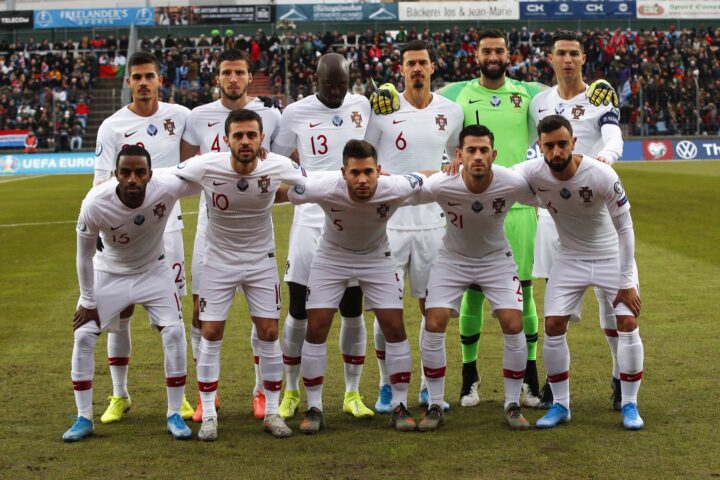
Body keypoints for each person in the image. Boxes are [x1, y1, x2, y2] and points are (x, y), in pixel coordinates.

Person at [370, 29, 618, 409]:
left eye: (499, 51)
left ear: (508, 55)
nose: (493, 56)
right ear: (477, 56)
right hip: (469, 203)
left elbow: (567, 95)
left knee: (525, 294)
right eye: (486, 50)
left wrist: (600, 87)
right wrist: (388, 90)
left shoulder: (530, 95)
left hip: (517, 205)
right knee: (470, 294)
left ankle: (530, 380)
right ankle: (469, 378)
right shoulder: (457, 94)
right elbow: (420, 100)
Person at [174, 109, 308, 441]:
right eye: (238, 135)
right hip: (218, 262)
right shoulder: (206, 165)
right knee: (211, 332)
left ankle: (272, 412)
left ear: (262, 138)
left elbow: (313, 182)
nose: (245, 141)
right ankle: (209, 413)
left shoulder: (278, 165)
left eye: (251, 135)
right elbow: (164, 179)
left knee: (269, 332)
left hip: (261, 261)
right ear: (226, 139)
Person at [286, 139, 432, 433]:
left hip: (376, 258)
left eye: (368, 171)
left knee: (394, 327)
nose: (362, 179)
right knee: (316, 327)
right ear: (343, 172)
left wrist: (454, 167)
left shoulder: (395, 186)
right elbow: (285, 190)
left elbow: (428, 176)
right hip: (331, 258)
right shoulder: (324, 186)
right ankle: (314, 407)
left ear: (379, 170)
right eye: (355, 173)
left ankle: (399, 405)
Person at [63, 145, 201, 442]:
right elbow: (83, 256)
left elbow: (205, 172)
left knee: (174, 332)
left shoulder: (167, 185)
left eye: (140, 172)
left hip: (154, 271)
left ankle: (174, 413)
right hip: (108, 272)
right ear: (116, 174)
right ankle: (83, 417)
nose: (133, 179)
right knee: (84, 334)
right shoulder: (95, 202)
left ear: (150, 174)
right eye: (125, 172)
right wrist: (88, 301)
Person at [515, 115, 644, 430]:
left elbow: (625, 229)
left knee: (627, 322)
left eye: (562, 144)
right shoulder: (531, 171)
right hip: (570, 258)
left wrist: (626, 281)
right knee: (553, 325)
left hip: (610, 256)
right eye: (549, 146)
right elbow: (496, 178)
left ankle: (629, 404)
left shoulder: (601, 174)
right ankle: (561, 405)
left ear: (573, 142)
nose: (556, 152)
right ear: (539, 146)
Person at [413, 124, 539, 431]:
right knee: (434, 321)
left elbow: (547, 194)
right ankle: (435, 404)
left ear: (494, 154)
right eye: (471, 150)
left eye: (484, 150)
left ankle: (511, 404)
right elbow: (409, 188)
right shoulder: (444, 182)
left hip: (496, 260)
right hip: (452, 260)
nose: (478, 156)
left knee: (514, 323)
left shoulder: (511, 182)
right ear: (459, 154)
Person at [180, 48, 282, 422]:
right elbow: (185, 168)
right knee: (200, 314)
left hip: (255, 226)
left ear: (249, 76)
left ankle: (261, 392)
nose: (233, 78)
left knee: (263, 318)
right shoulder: (197, 116)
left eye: (240, 72)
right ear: (218, 77)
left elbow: (278, 167)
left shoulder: (271, 114)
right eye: (227, 72)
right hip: (211, 227)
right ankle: (207, 394)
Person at [93, 51, 193, 424]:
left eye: (149, 76)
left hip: (169, 229)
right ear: (129, 82)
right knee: (121, 314)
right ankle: (119, 395)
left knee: (172, 317)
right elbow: (101, 182)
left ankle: (180, 398)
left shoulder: (180, 116)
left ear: (159, 80)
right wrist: (104, 225)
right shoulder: (112, 126)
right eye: (137, 77)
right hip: (126, 232)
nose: (143, 83)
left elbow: (192, 165)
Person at [364, 39, 463, 413]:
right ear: (401, 69)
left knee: (431, 309)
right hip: (388, 225)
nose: (417, 68)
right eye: (411, 63)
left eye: (423, 62)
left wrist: (449, 168)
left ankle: (426, 387)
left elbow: (457, 154)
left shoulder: (451, 111)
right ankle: (385, 385)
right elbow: (365, 155)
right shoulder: (382, 110)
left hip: (433, 225)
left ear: (433, 67)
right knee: (386, 309)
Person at [272, 53, 373, 420]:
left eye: (341, 85)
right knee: (299, 308)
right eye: (328, 85)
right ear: (314, 80)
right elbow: (276, 158)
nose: (335, 92)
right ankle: (291, 390)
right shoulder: (295, 112)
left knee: (352, 308)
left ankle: (352, 393)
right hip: (310, 221)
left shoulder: (362, 106)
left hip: (352, 222)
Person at [529, 31, 625, 410]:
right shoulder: (539, 102)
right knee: (557, 304)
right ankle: (555, 386)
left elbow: (613, 137)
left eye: (573, 53)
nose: (567, 60)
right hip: (554, 215)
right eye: (561, 54)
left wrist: (604, 160)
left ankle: (620, 376)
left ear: (583, 58)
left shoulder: (600, 95)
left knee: (610, 302)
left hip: (596, 209)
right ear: (551, 59)